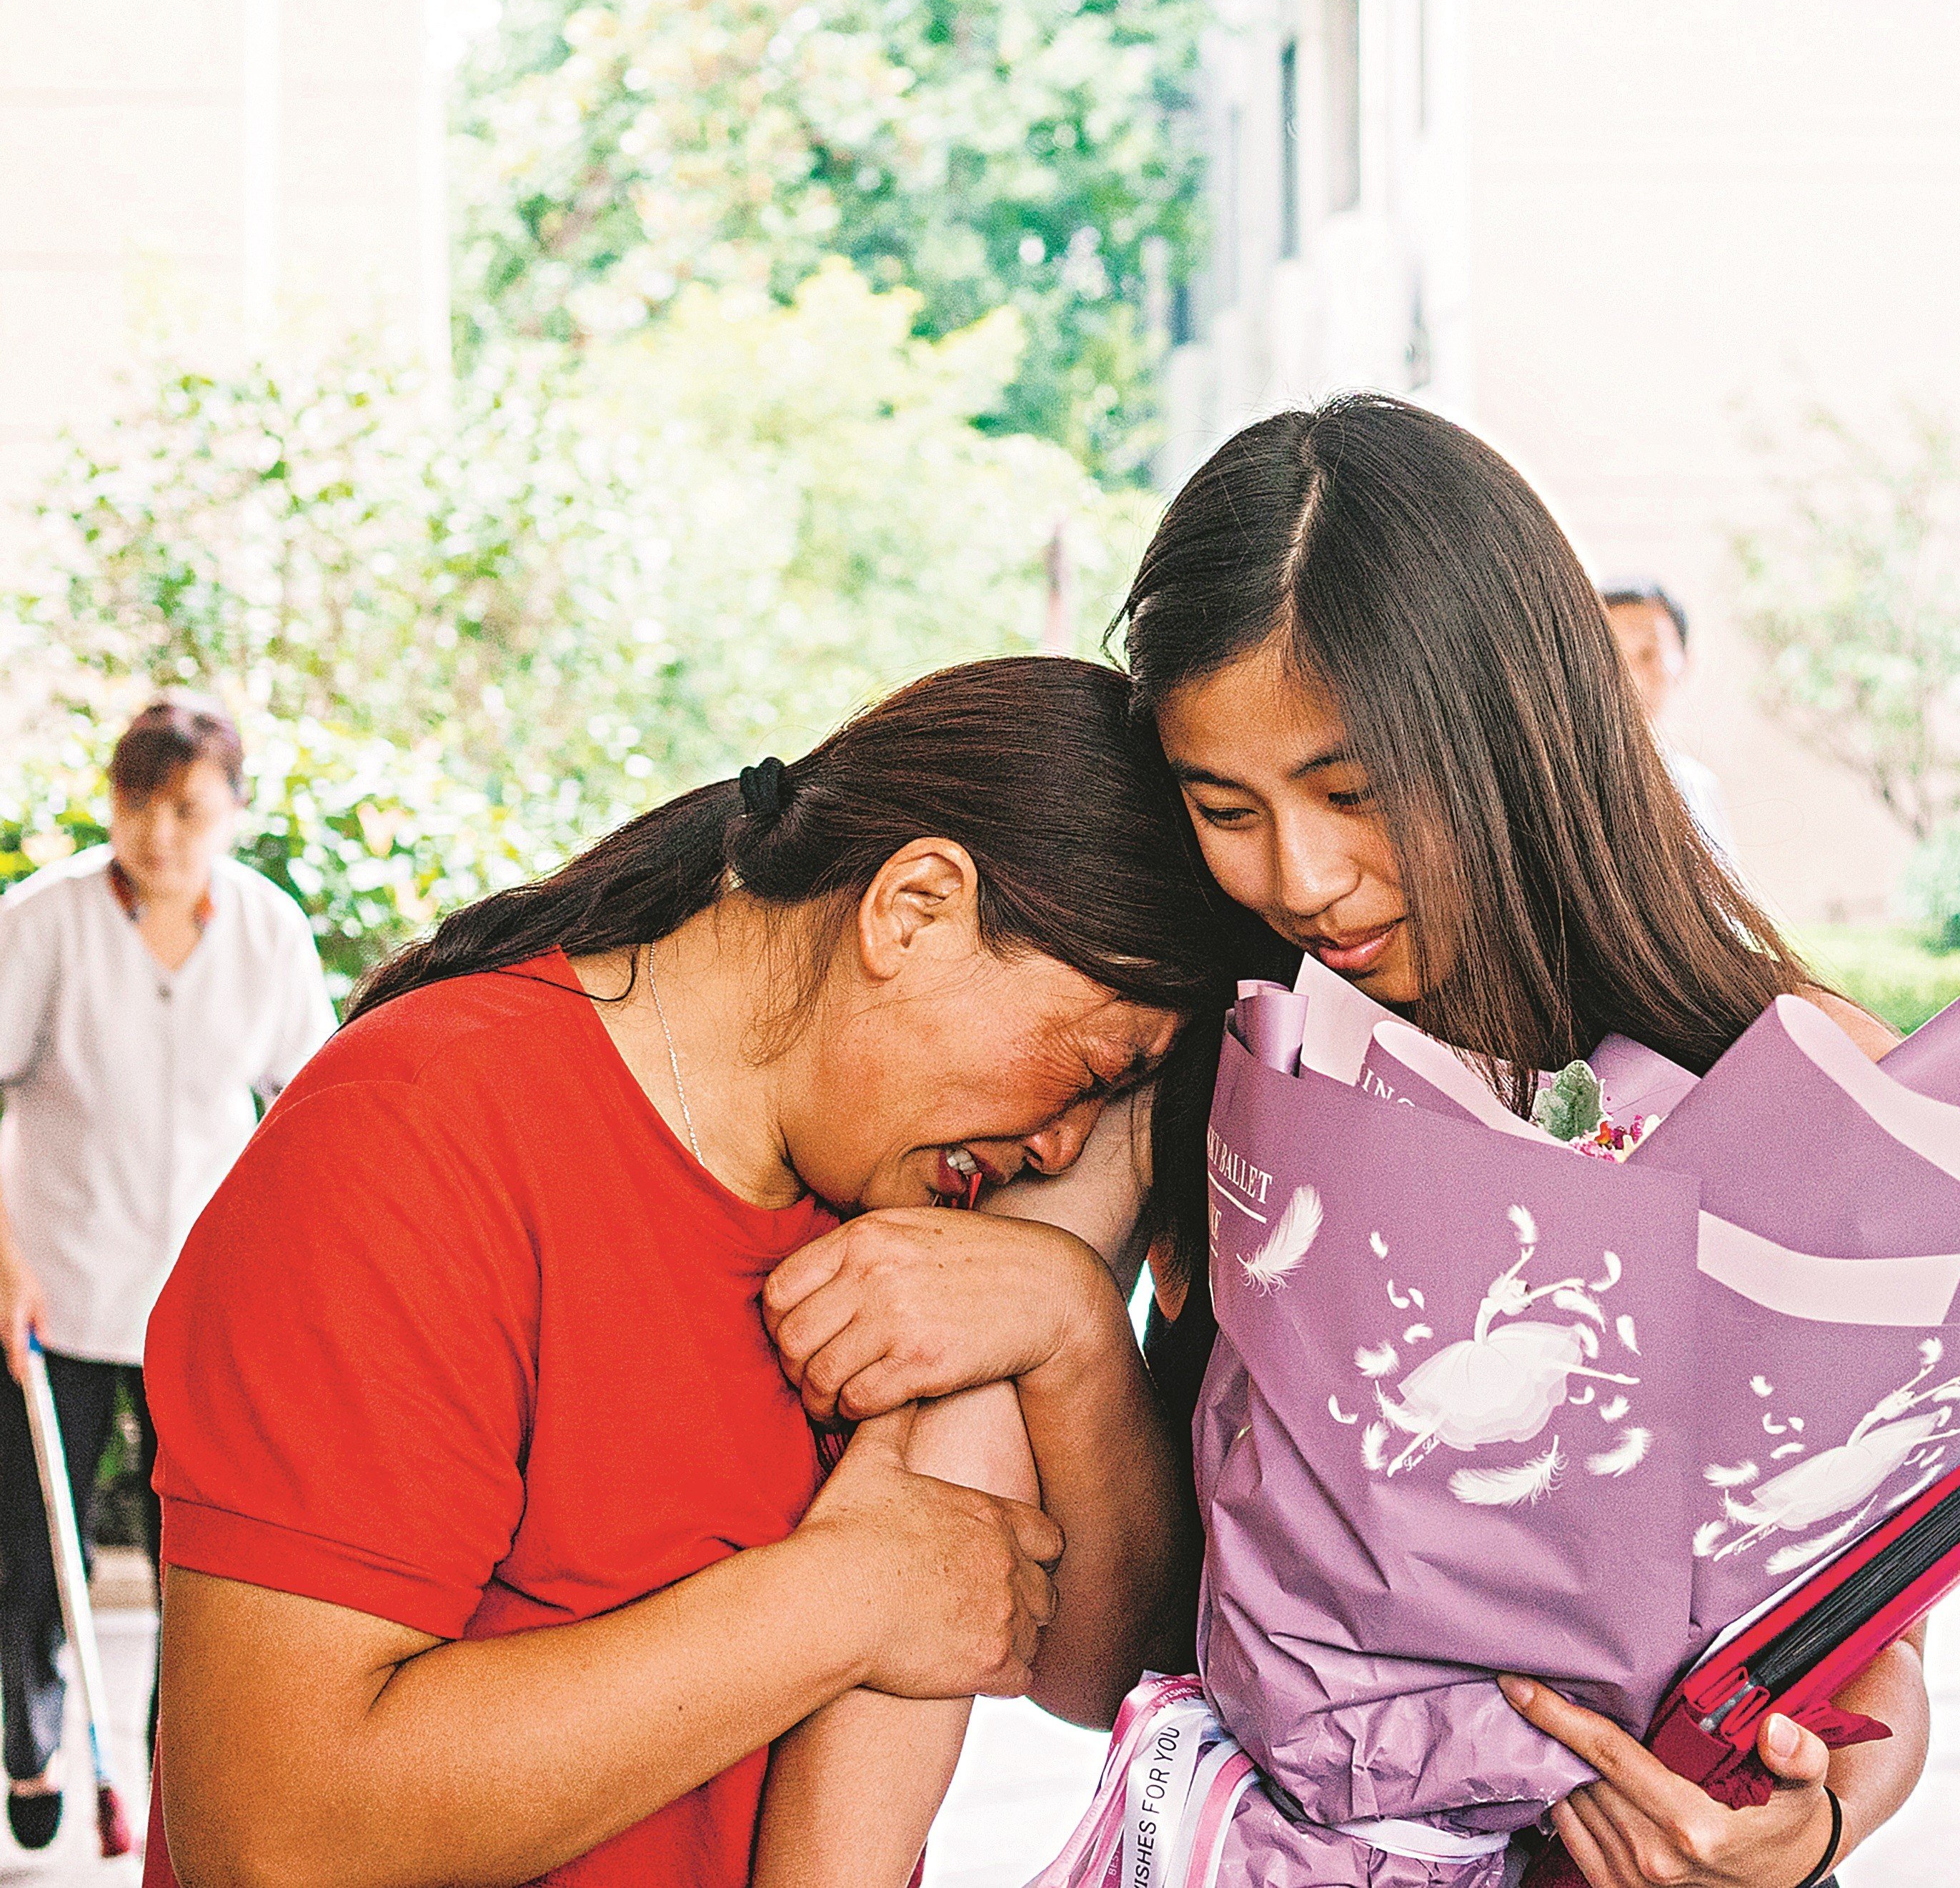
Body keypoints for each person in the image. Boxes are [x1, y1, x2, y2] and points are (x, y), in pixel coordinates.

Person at [142, 657, 1235, 1887]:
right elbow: (275, 1837)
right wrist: (844, 1598)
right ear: (915, 907)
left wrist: (1074, 1326)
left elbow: (1094, 1659)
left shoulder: (907, 1192)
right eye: (1086, 1073)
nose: (1062, 1144)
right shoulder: (415, 1140)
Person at [1128, 397, 1926, 1888]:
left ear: (1515, 725)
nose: (1301, 877)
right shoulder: (1217, 1058)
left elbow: (1884, 1639)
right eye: (1223, 806)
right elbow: (1115, 1632)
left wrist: (1807, 1826)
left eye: (1353, 793)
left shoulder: (1798, 1080)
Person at [0, 698, 334, 1847]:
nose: (160, 831)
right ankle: (33, 1749)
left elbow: (312, 1101)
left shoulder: (267, 930)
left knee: (197, 1552)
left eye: (189, 808)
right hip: (51, 1286)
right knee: (35, 1544)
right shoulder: (41, 920)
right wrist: (1, 1262)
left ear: (233, 813)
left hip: (200, 1304)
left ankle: (166, 1770)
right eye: (138, 801)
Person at [1600, 579, 1740, 866]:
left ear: (1684, 663)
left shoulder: (1696, 786)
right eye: (1612, 656)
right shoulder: (1556, 781)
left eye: (1648, 655)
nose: (1631, 676)